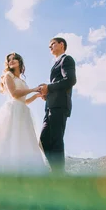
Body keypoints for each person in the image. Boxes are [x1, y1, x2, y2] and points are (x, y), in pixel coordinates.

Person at [39, 37, 76, 174]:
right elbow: (57, 86)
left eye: (52, 44)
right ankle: (57, 170)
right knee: (43, 139)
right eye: (49, 46)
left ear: (62, 45)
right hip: (50, 106)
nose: (50, 47)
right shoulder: (55, 63)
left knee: (56, 139)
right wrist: (46, 94)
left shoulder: (66, 59)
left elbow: (70, 80)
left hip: (60, 106)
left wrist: (49, 87)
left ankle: (59, 173)